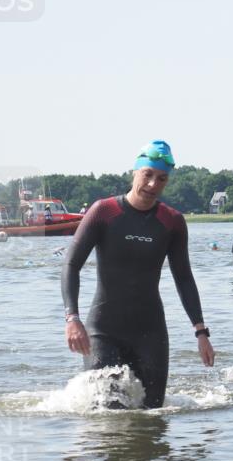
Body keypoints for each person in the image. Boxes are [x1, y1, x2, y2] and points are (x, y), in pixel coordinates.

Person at [61, 140, 215, 409]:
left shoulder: (172, 222)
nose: (153, 184)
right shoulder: (104, 212)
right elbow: (71, 265)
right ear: (135, 172)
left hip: (151, 333)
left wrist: (201, 332)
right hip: (103, 331)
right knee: (108, 410)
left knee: (153, 413)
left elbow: (184, 277)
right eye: (148, 175)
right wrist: (72, 318)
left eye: (162, 178)